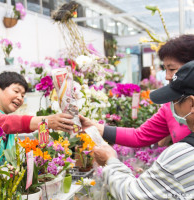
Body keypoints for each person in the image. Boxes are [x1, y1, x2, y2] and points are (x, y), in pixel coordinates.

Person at [81, 61, 194, 199]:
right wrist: (97, 128)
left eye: (175, 100)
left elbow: (132, 195)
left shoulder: (182, 154)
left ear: (191, 103)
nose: (167, 76)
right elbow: (140, 135)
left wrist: (110, 161)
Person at [91, 34, 194, 148]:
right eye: (165, 69)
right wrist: (94, 127)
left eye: (172, 69)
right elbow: (139, 136)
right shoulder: (171, 106)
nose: (167, 76)